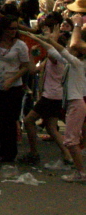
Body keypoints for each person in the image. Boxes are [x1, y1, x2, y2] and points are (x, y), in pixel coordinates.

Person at [18, 11, 72, 166]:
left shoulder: (56, 58)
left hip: (52, 96)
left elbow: (52, 50)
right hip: (54, 96)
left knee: (28, 121)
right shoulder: (50, 60)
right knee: (51, 127)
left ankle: (34, 152)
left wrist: (48, 39)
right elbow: (33, 70)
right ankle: (67, 154)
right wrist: (29, 53)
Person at [0, 15, 30, 163]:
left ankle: (8, 153)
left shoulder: (20, 45)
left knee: (8, 121)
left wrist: (12, 79)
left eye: (16, 29)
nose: (13, 32)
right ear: (3, 29)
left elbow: (25, 66)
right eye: (10, 29)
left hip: (12, 87)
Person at [56, 11, 86, 181]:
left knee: (71, 141)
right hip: (76, 102)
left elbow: (70, 46)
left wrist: (77, 24)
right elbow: (60, 51)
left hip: (77, 102)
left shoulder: (78, 62)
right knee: (74, 139)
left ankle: (81, 172)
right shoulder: (75, 62)